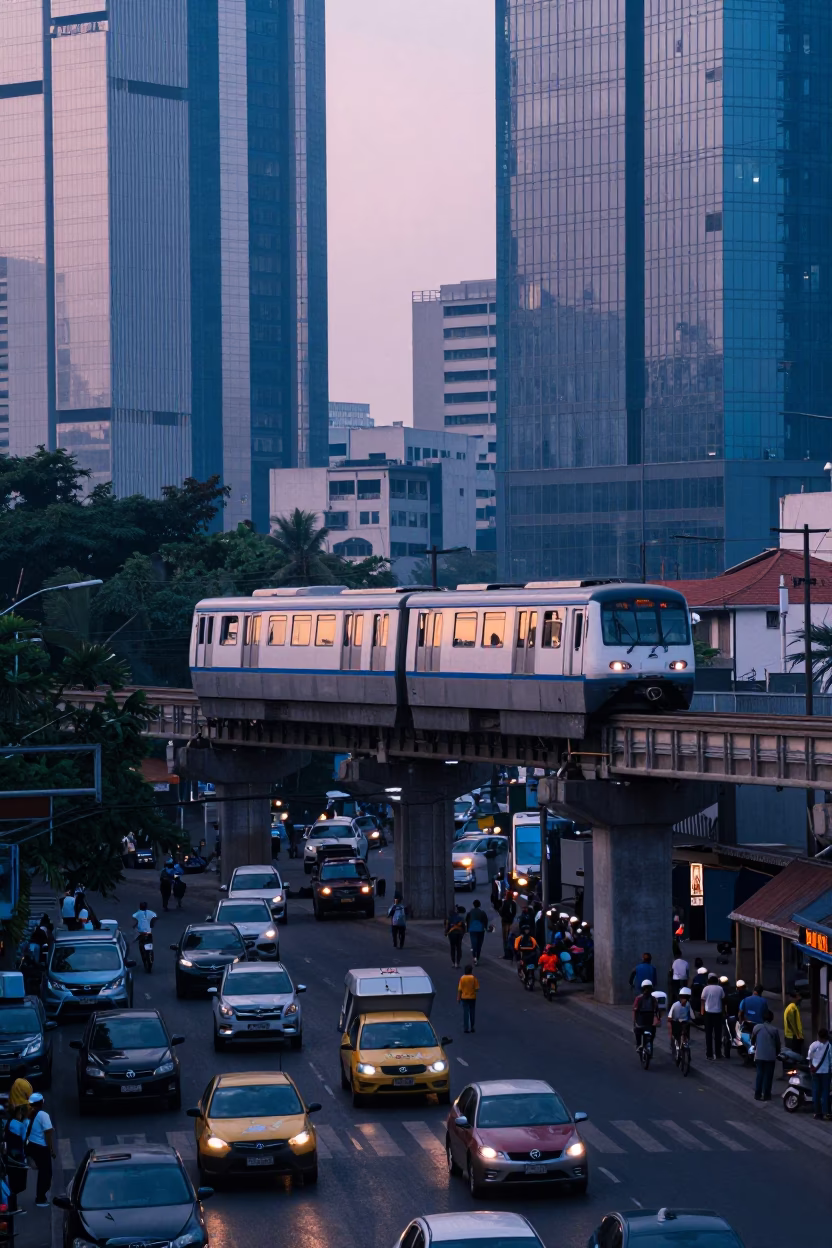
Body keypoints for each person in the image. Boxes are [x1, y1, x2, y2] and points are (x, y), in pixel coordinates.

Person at [25, 1092, 55, 1207]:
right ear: (42, 1102)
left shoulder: (31, 1113)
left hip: (32, 1145)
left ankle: (41, 1196)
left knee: (43, 1172)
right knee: (46, 1173)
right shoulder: (43, 1115)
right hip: (41, 1147)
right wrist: (51, 1149)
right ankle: (40, 1199)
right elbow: (48, 1134)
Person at [4, 1093, 29, 1214]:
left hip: (13, 1156)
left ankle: (13, 1204)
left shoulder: (11, 1123)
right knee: (15, 1184)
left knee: (13, 1182)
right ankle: (13, 1206)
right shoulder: (18, 1125)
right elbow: (24, 1139)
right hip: (16, 1157)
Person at [751, 1009, 781, 1102]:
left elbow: (752, 1040)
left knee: (760, 1074)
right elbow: (777, 1044)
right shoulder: (774, 1030)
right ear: (771, 1019)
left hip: (759, 1055)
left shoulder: (756, 1028)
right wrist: (777, 1053)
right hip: (770, 1056)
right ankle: (766, 1094)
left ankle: (757, 1094)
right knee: (768, 1075)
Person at [807, 1026, 832, 1120]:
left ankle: (817, 1113)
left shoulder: (813, 1045)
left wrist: (811, 1068)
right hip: (826, 1072)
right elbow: (831, 1061)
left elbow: (809, 1058)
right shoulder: (829, 1046)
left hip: (815, 1072)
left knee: (816, 1092)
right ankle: (826, 1113)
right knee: (825, 1092)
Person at [700, 972, 725, 1062]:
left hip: (708, 1013)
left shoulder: (705, 989)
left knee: (708, 1034)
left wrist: (702, 1012)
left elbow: (702, 1001)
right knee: (718, 1034)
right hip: (718, 1013)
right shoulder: (720, 989)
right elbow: (722, 1000)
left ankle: (709, 1054)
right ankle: (718, 1053)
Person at [633, 980, 659, 1050]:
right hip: (648, 1022)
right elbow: (657, 1010)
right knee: (651, 1032)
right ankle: (641, 1044)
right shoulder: (653, 999)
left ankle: (639, 1045)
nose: (647, 990)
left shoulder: (638, 998)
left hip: (642, 1021)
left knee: (637, 1030)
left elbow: (635, 1011)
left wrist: (634, 1021)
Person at [668, 986, 693, 1054]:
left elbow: (692, 1015)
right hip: (676, 1023)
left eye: (686, 998)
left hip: (684, 1023)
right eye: (683, 997)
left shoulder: (688, 1005)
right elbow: (669, 1017)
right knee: (674, 1035)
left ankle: (685, 1041)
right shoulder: (675, 1005)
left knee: (685, 1033)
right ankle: (674, 1044)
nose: (684, 1000)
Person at [457, 964, 479, 1033]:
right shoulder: (473, 978)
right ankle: (472, 1027)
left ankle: (466, 1028)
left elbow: (460, 989)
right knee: (472, 1012)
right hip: (472, 997)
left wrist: (458, 998)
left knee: (466, 1012)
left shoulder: (462, 978)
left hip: (464, 997)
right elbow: (477, 988)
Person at [466, 900, 488, 965]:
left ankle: (474, 957)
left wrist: (467, 929)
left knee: (473, 943)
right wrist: (485, 928)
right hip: (480, 930)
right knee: (479, 944)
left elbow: (467, 920)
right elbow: (485, 920)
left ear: (473, 905)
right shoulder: (482, 912)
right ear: (479, 905)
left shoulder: (470, 912)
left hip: (472, 929)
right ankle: (477, 957)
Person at [783, 991, 804, 1055]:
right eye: (798, 997)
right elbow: (791, 1023)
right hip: (792, 1037)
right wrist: (797, 1035)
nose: (800, 999)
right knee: (794, 1055)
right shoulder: (792, 1008)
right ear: (794, 998)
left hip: (791, 1036)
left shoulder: (792, 1007)